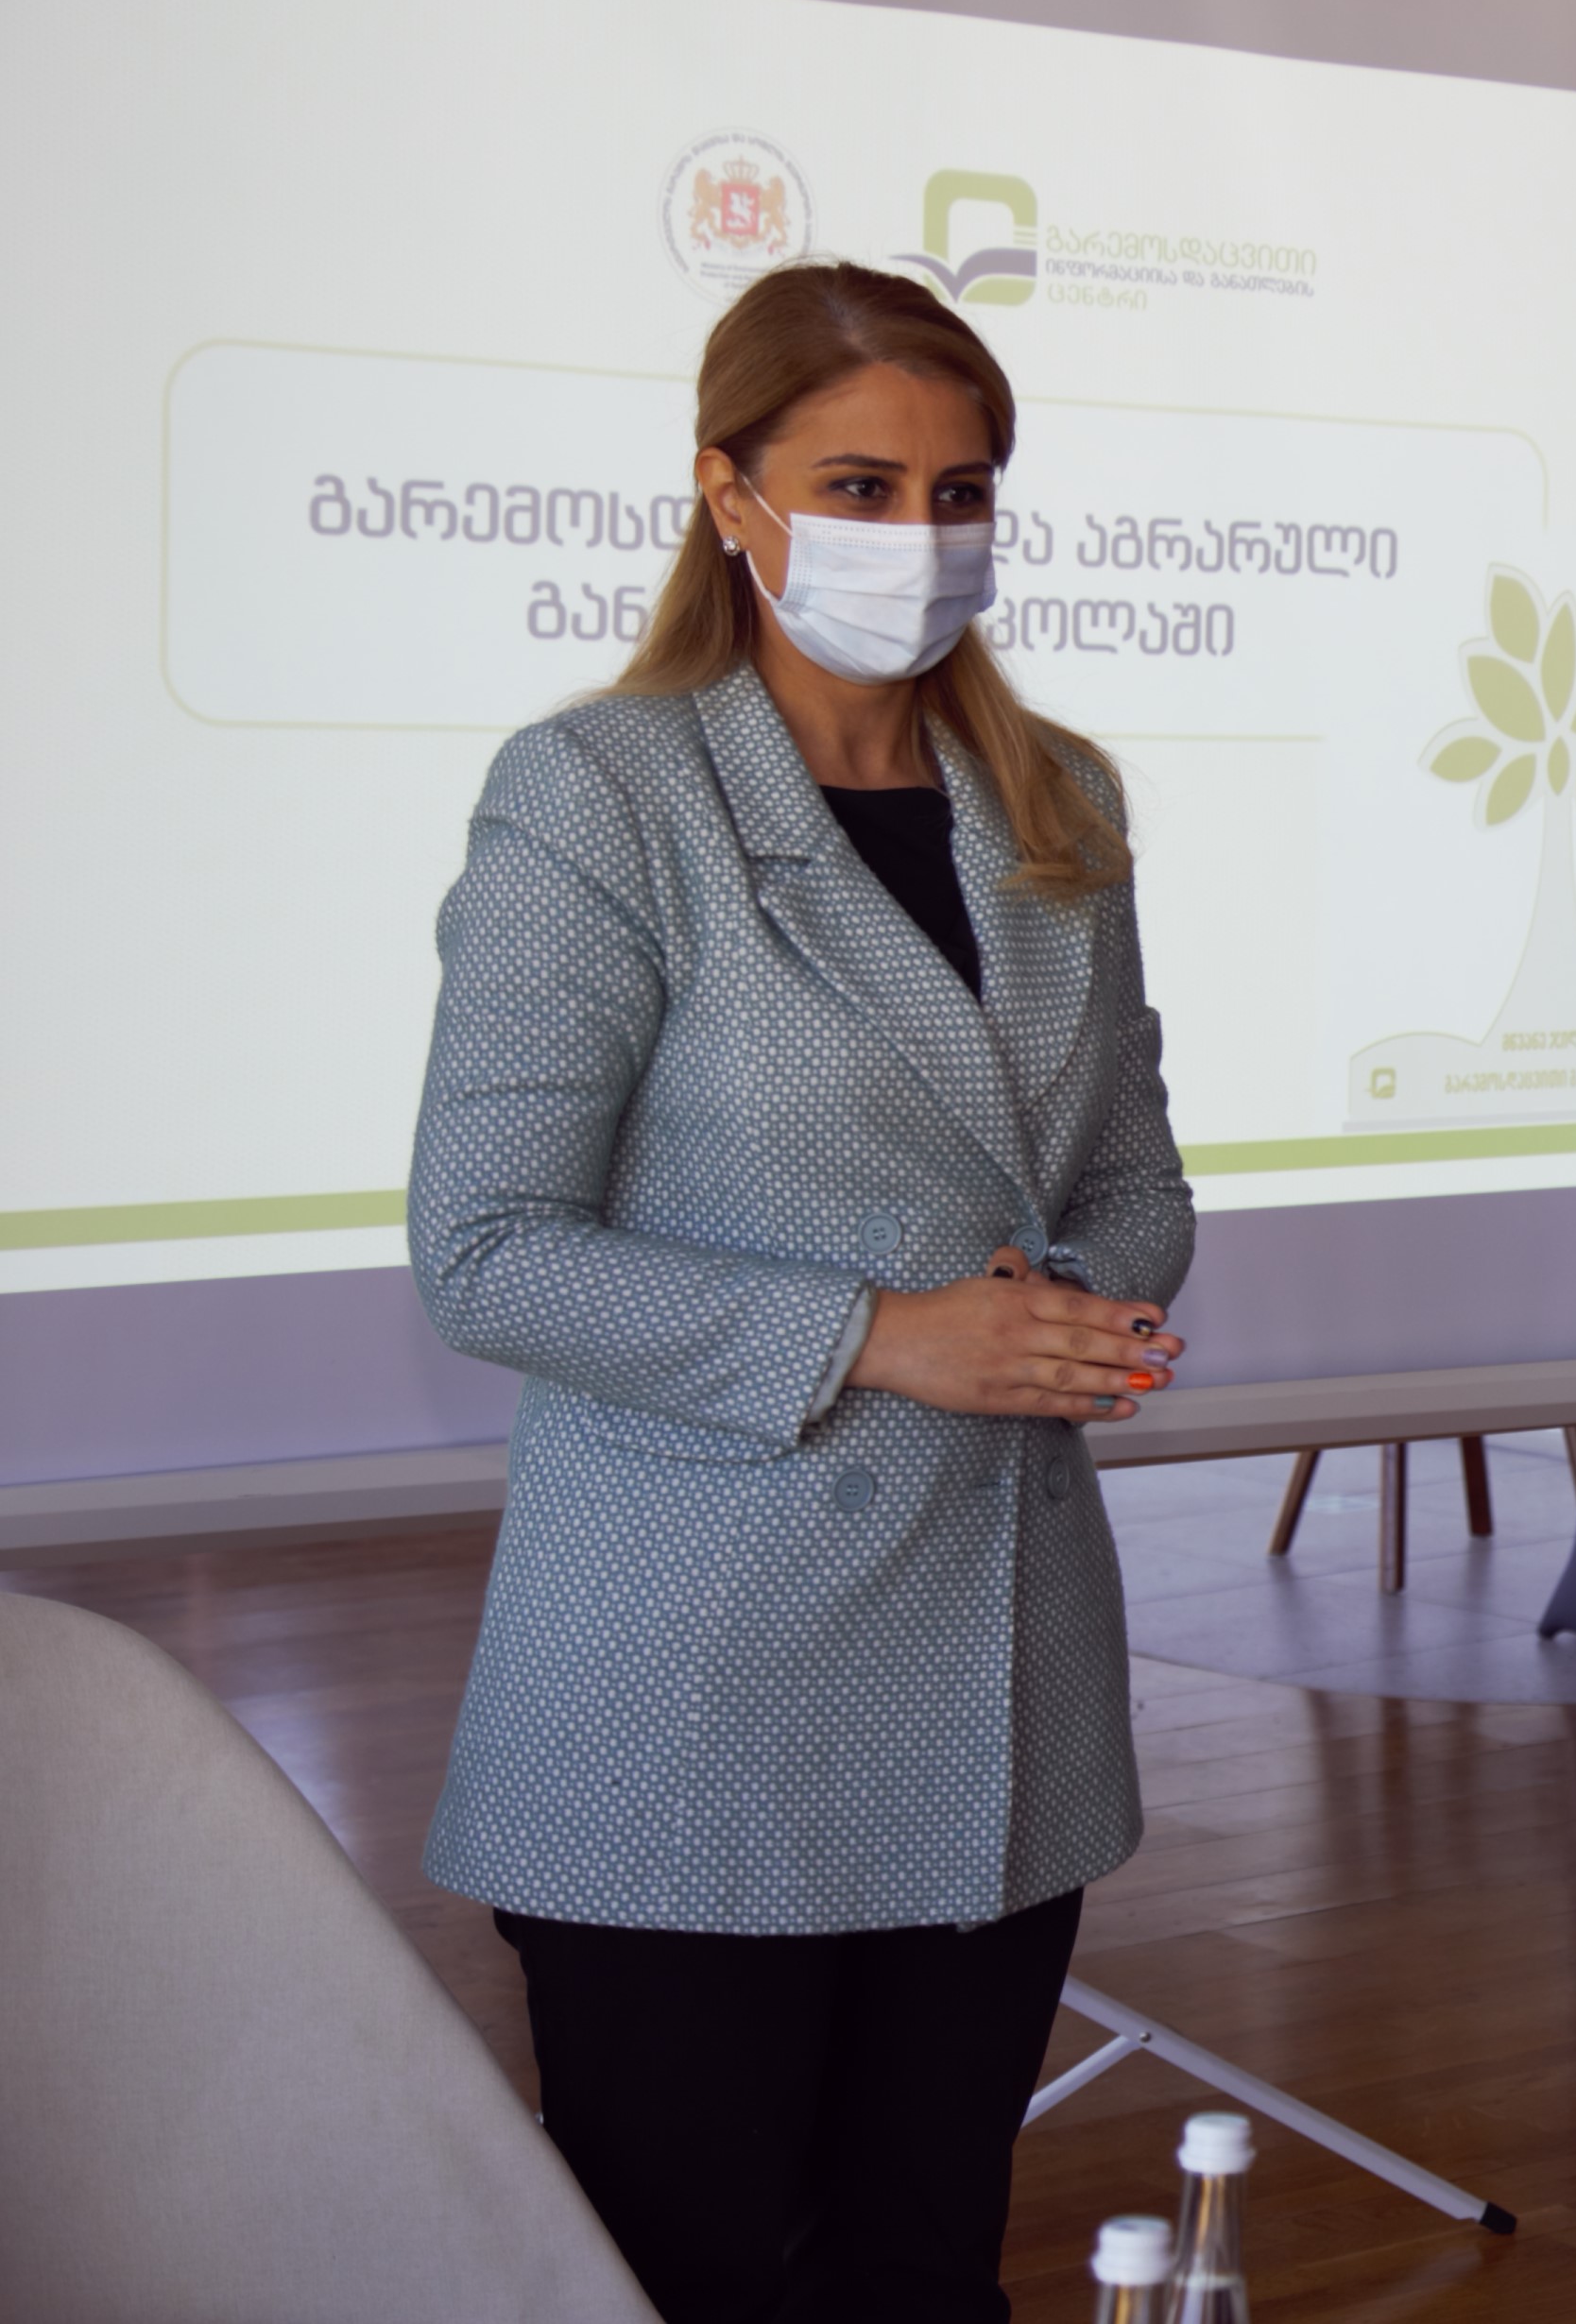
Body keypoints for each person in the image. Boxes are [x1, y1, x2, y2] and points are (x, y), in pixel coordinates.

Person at [407, 262, 1196, 2323]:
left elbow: (1131, 1176)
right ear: (729, 493)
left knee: (926, 2269)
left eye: (961, 490)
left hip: (1002, 1667)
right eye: (860, 484)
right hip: (692, 1693)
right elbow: (484, 1246)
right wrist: (890, 1336)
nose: (919, 536)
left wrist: (1067, 1303)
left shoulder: (1063, 799)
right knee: (687, 2276)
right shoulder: (603, 795)